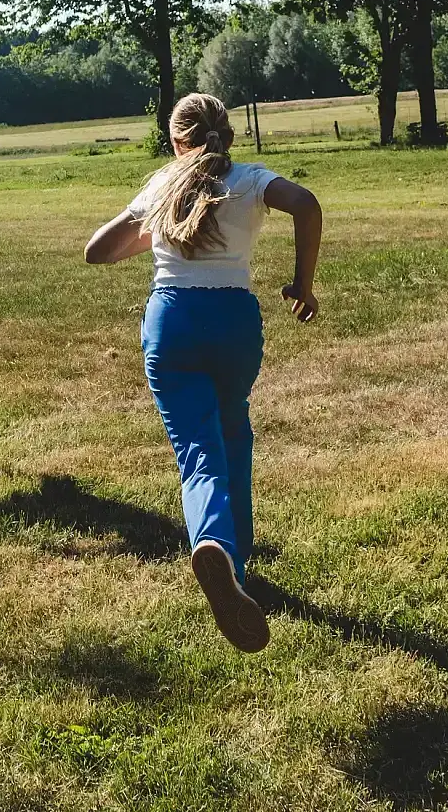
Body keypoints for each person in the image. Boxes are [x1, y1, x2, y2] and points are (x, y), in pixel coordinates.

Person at [85, 93, 323, 653]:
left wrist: (154, 223)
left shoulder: (163, 186)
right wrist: (302, 284)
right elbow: (307, 204)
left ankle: (213, 542)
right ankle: (236, 557)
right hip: (236, 321)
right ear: (230, 137)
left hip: (174, 321)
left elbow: (98, 250)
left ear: (175, 141)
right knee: (234, 428)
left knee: (198, 447)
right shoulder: (252, 179)